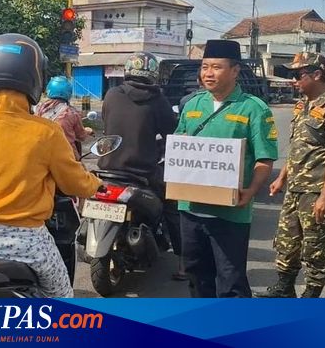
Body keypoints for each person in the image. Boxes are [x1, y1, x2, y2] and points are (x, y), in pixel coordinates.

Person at [0, 33, 102, 298]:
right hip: (28, 240)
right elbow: (73, 182)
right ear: (34, 78)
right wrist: (96, 185)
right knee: (63, 297)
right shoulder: (46, 131)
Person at [174, 40, 278, 298]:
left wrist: (251, 191)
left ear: (234, 70)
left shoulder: (254, 108)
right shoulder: (192, 105)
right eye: (205, 67)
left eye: (216, 67)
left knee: (231, 283)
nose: (208, 73)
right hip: (191, 209)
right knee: (197, 277)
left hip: (230, 214)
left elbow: (265, 160)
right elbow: (178, 145)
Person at [256, 53, 325, 298]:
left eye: (298, 75)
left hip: (317, 190)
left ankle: (311, 294)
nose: (293, 80)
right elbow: (298, 146)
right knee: (287, 240)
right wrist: (282, 178)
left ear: (317, 75)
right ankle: (285, 287)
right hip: (296, 187)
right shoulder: (303, 105)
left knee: (315, 246)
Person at [96, 52, 183, 279]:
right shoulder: (158, 100)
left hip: (107, 167)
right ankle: (184, 260)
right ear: (153, 73)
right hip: (141, 172)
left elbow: (108, 123)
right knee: (173, 204)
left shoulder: (112, 95)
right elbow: (171, 132)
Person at [35, 76, 93, 159]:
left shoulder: (39, 109)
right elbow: (81, 136)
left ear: (49, 90)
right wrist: (87, 131)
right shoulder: (71, 113)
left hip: (41, 153)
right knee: (81, 171)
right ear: (68, 93)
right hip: (66, 156)